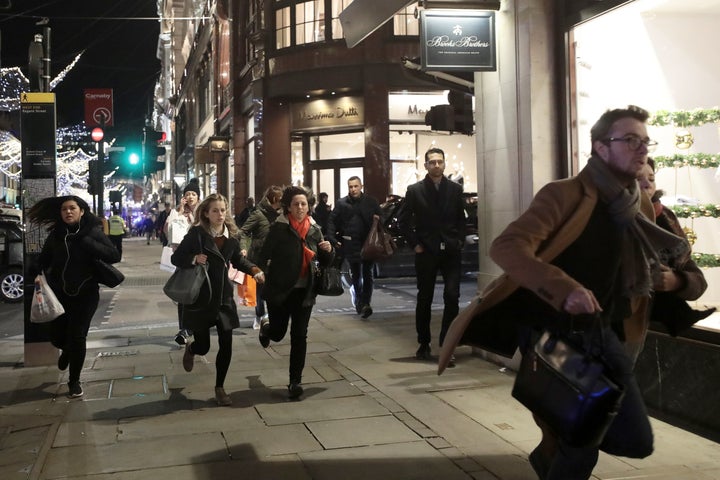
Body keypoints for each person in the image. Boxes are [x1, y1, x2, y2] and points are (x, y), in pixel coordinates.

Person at [439, 106, 691, 479]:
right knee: (583, 444)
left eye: (645, 141)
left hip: (606, 333)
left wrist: (677, 282)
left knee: (631, 441)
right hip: (555, 331)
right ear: (600, 148)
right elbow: (506, 247)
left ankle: (552, 454)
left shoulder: (635, 204)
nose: (642, 149)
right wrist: (564, 288)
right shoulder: (565, 194)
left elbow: (654, 269)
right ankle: (558, 451)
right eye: (631, 140)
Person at [171, 193, 265, 406]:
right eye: (215, 210)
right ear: (205, 212)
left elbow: (237, 259)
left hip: (223, 297)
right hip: (202, 298)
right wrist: (193, 258)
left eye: (223, 210)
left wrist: (255, 270)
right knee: (203, 346)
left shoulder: (231, 235)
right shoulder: (196, 234)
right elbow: (177, 258)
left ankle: (220, 387)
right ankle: (192, 349)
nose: (220, 214)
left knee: (226, 343)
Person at [28, 195, 121, 398]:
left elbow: (114, 255)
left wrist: (87, 242)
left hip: (86, 293)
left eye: (72, 208)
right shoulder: (56, 235)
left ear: (81, 211)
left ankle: (74, 382)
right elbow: (44, 258)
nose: (68, 212)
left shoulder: (93, 232)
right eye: (64, 209)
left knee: (78, 336)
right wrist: (35, 269)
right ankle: (67, 350)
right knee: (58, 338)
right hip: (59, 293)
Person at [257, 185, 334, 400]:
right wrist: (259, 274)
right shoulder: (278, 229)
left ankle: (295, 382)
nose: (300, 207)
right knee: (279, 333)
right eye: (296, 204)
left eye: (304, 204)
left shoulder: (314, 230)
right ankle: (266, 328)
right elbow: (262, 255)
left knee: (300, 336)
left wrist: (329, 251)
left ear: (309, 207)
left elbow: (325, 261)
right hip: (280, 291)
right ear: (288, 207)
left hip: (304, 291)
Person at [398, 148, 465, 364]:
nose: (436, 165)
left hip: (451, 251)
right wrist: (415, 244)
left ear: (444, 164)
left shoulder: (455, 189)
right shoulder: (415, 190)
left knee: (452, 296)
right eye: (432, 162)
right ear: (425, 165)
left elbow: (460, 219)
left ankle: (447, 344)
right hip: (426, 250)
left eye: (439, 161)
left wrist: (459, 240)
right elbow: (403, 220)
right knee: (424, 298)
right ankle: (424, 343)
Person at [637, 158, 713, 339]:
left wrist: (677, 281)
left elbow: (697, 280)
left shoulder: (665, 217)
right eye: (637, 178)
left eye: (651, 178)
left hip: (656, 332)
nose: (647, 183)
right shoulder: (613, 221)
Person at [326, 177, 381, 318]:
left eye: (356, 186)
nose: (353, 189)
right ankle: (360, 303)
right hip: (351, 242)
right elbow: (332, 220)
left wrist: (378, 223)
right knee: (356, 274)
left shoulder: (371, 202)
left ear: (361, 186)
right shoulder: (342, 203)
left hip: (368, 242)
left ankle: (365, 302)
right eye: (351, 186)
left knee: (368, 273)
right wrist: (332, 238)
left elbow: (381, 218)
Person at [239, 185, 283, 329]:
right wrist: (243, 248)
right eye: (281, 199)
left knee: (274, 288)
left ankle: (271, 315)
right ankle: (260, 315)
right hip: (259, 257)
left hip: (276, 257)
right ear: (274, 199)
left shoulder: (282, 214)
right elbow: (244, 231)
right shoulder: (258, 214)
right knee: (260, 289)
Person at [165, 178, 201, 345]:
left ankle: (193, 327)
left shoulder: (203, 212)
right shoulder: (178, 212)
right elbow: (167, 230)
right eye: (188, 194)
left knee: (198, 294)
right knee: (184, 293)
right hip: (183, 258)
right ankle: (184, 329)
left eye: (193, 194)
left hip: (201, 259)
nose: (190, 197)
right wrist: (179, 211)